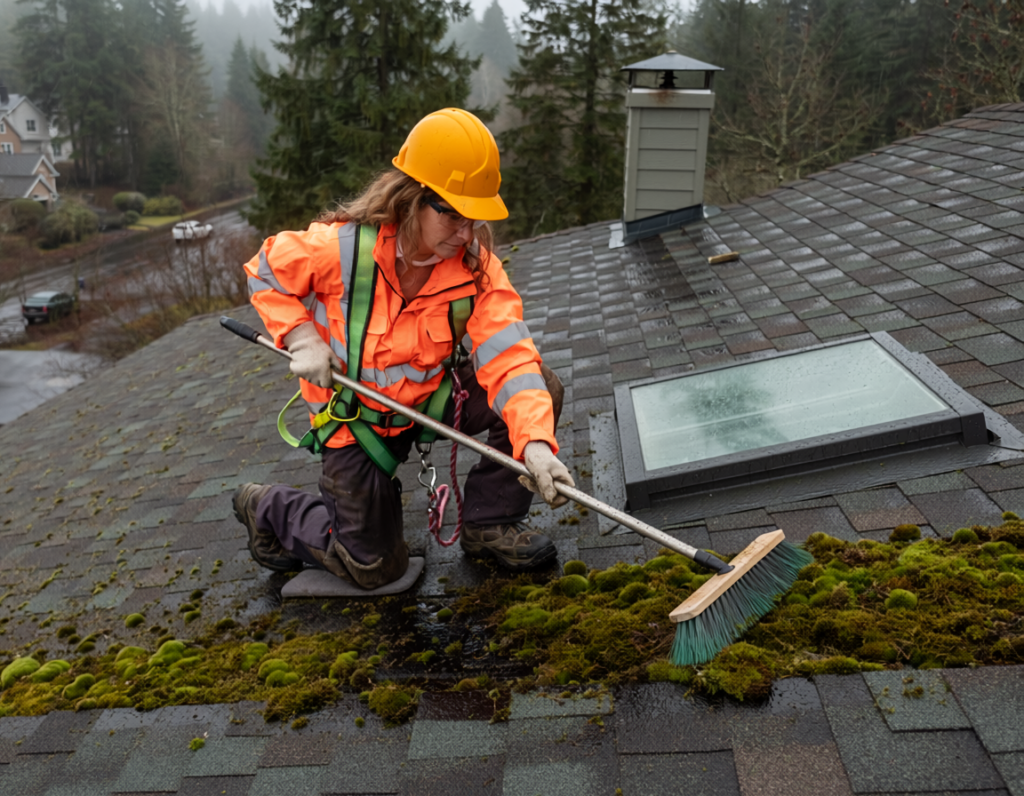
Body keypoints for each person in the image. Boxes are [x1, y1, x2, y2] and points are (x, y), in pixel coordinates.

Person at [233, 108, 574, 590]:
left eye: (473, 218)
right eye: (452, 214)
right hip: (357, 422)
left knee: (543, 385)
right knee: (375, 570)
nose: (465, 233)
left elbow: (510, 356)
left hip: (429, 400)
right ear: (411, 198)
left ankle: (488, 521)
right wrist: (301, 336)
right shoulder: (342, 250)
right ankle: (269, 506)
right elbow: (264, 268)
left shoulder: (474, 269)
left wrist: (535, 444)